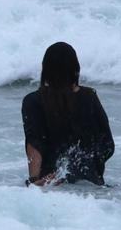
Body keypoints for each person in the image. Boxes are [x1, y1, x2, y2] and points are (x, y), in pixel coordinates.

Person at [21, 42, 114, 186]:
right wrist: (89, 168)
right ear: (75, 69)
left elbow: (35, 143)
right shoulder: (89, 97)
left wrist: (35, 181)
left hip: (51, 183)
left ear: (45, 69)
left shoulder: (33, 101)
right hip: (89, 183)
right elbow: (107, 144)